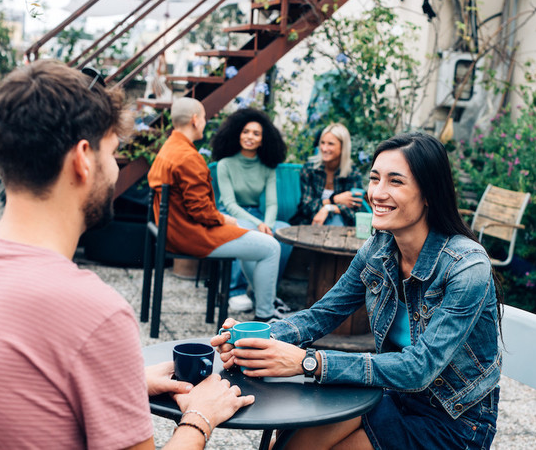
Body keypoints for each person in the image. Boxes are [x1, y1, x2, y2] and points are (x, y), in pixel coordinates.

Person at [0, 60, 254, 449]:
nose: (114, 170)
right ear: (82, 159)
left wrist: (125, 381)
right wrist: (200, 417)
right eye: (112, 152)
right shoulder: (95, 313)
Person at [213, 133, 503, 449]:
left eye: (396, 182)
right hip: (392, 394)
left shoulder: (467, 267)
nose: (377, 193)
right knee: (291, 442)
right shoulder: (379, 249)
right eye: (374, 179)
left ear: (429, 193)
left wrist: (308, 362)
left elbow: (418, 369)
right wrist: (259, 338)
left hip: (454, 422)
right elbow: (321, 316)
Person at [148, 98, 289, 322]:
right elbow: (201, 211)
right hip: (191, 234)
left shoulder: (170, 148)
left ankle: (263, 305)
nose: (204, 123)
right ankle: (265, 316)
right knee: (271, 247)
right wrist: (225, 220)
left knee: (254, 239)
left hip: (175, 229)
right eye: (204, 118)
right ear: (195, 120)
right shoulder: (188, 157)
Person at [211, 108, 293, 313]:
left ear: (263, 140)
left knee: (285, 234)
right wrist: (259, 225)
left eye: (256, 134)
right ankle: (237, 291)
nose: (250, 137)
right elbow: (229, 203)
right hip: (231, 215)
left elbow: (272, 203)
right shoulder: (225, 165)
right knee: (249, 233)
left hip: (257, 214)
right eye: (246, 131)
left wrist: (269, 225)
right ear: (238, 134)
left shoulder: (267, 167)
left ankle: (266, 292)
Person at [293, 123, 364, 226]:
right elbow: (306, 207)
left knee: (337, 219)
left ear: (343, 147)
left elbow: (354, 214)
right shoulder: (310, 169)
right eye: (322, 143)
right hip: (308, 224)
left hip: (339, 228)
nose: (324, 148)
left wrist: (328, 208)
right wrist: (335, 200)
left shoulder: (353, 174)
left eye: (330, 144)